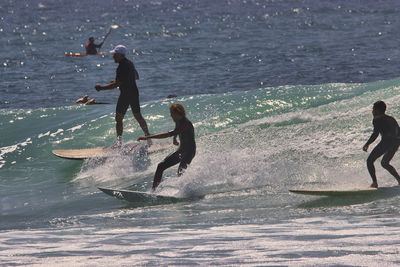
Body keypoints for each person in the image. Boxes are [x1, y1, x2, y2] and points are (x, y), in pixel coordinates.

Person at [95, 45, 151, 146]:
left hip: (126, 94)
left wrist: (101, 88)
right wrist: (118, 81)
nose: (113, 57)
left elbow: (116, 85)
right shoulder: (130, 63)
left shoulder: (121, 67)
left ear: (120, 55)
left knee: (118, 118)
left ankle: (119, 143)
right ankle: (148, 137)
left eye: (115, 55)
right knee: (138, 116)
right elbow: (132, 78)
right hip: (134, 92)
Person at [137, 103, 196, 190]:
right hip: (182, 150)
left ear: (176, 113)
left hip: (189, 152)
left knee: (181, 172)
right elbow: (177, 130)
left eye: (171, 113)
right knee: (161, 166)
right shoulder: (178, 121)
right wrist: (175, 139)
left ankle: (185, 191)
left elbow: (168, 134)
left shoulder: (186, 124)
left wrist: (148, 137)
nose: (170, 115)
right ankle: (154, 190)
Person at [363, 100, 400, 188]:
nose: (372, 111)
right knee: (385, 163)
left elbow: (375, 133)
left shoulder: (377, 119)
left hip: (386, 142)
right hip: (396, 142)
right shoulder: (391, 118)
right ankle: (399, 180)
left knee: (369, 161)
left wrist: (367, 144)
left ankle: (374, 183)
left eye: (373, 109)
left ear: (378, 110)